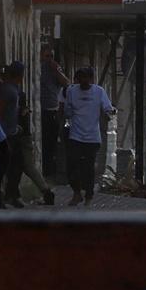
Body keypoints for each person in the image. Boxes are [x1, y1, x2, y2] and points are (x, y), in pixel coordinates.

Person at [0, 62, 55, 207]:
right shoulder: (13, 91)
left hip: (17, 135)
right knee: (17, 166)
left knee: (18, 166)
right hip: (13, 135)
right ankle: (12, 195)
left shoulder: (14, 91)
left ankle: (14, 195)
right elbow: (0, 112)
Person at [59, 67, 114, 206]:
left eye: (86, 78)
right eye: (81, 78)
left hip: (92, 138)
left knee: (88, 168)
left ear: (91, 79)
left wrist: (108, 114)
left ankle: (88, 195)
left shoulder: (99, 92)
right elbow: (67, 111)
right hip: (75, 135)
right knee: (72, 167)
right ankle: (76, 193)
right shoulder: (72, 91)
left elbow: (108, 108)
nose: (84, 81)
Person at [39, 45, 70, 177]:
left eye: (51, 56)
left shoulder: (55, 69)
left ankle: (50, 171)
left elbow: (66, 83)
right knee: (43, 141)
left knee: (51, 141)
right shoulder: (38, 68)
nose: (49, 59)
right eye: (47, 56)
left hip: (52, 110)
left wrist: (56, 70)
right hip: (41, 109)